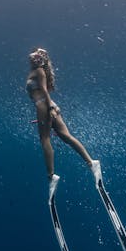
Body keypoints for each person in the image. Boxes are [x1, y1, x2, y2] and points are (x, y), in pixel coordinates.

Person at [25, 48, 101, 196]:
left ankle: (51, 176)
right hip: (45, 107)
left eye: (35, 56)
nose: (31, 57)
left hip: (45, 106)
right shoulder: (38, 71)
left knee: (45, 139)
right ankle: (92, 163)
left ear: (37, 59)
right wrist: (47, 113)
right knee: (66, 136)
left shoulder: (38, 71)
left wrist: (50, 109)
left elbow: (44, 91)